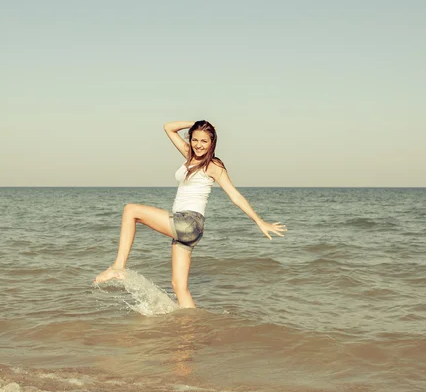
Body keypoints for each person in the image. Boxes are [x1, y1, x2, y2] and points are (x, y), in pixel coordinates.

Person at [93, 120, 287, 308]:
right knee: (179, 287)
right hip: (190, 229)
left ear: (212, 142)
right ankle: (192, 329)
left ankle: (118, 266)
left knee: (131, 210)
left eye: (204, 141)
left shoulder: (214, 165)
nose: (198, 145)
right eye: (195, 139)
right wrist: (196, 123)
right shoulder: (189, 155)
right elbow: (168, 128)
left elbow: (235, 196)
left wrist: (259, 221)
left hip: (188, 222)